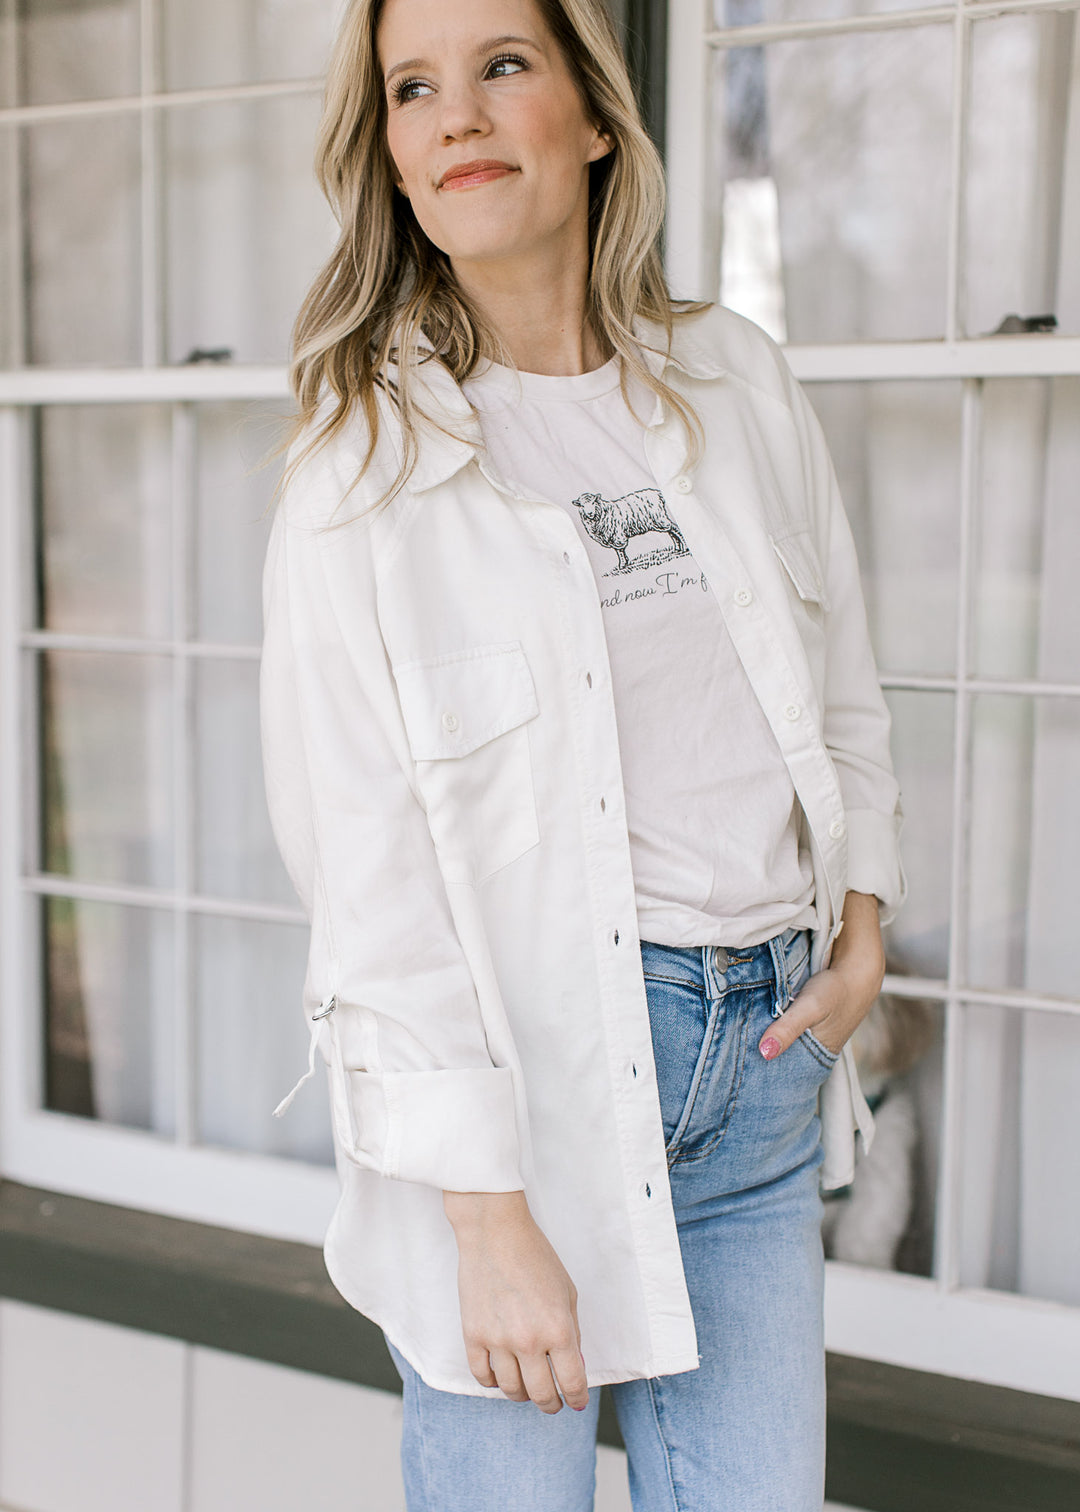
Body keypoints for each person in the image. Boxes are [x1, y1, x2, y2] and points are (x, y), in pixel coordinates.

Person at [259, 0, 906, 1507]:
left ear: (598, 118)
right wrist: (488, 1220)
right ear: (396, 164)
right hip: (520, 1111)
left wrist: (861, 920)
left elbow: (843, 684)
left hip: (758, 1074)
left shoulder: (734, 378)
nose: (459, 116)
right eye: (414, 91)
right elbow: (368, 872)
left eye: (503, 66)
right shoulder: (362, 461)